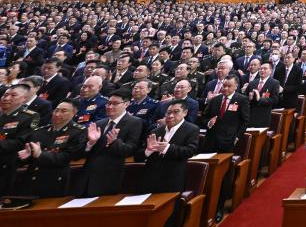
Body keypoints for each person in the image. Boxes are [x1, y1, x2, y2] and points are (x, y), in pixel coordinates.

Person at [139, 99, 199, 227]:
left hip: (172, 180)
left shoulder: (191, 129)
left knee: (169, 218)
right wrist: (148, 151)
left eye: (176, 112)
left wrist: (167, 148)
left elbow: (190, 151)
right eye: (168, 113)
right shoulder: (156, 131)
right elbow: (139, 155)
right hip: (150, 179)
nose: (170, 115)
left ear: (185, 113)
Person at [201, 74, 250, 223]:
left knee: (223, 176)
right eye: (224, 86)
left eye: (229, 86)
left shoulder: (241, 100)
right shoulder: (215, 99)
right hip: (210, 141)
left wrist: (236, 137)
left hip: (228, 143)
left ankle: (219, 207)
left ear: (236, 86)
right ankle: (204, 206)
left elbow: (245, 121)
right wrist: (208, 122)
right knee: (208, 174)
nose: (226, 88)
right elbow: (204, 116)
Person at [77, 89, 143, 196]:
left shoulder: (134, 122)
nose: (110, 106)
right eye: (108, 103)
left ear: (126, 104)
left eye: (115, 104)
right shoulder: (99, 123)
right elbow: (80, 152)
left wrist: (115, 142)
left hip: (110, 176)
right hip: (88, 176)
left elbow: (130, 150)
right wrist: (91, 143)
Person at [16, 99, 86, 197]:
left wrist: (41, 155)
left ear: (74, 113)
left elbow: (66, 157)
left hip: (54, 181)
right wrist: (25, 157)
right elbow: (29, 156)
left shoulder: (78, 132)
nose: (57, 114)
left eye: (63, 111)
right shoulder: (39, 131)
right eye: (56, 110)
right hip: (32, 180)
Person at [0, 84, 39, 195]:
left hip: (7, 166)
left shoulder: (29, 117)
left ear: (23, 99)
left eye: (13, 95)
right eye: (5, 94)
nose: (6, 98)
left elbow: (20, 142)